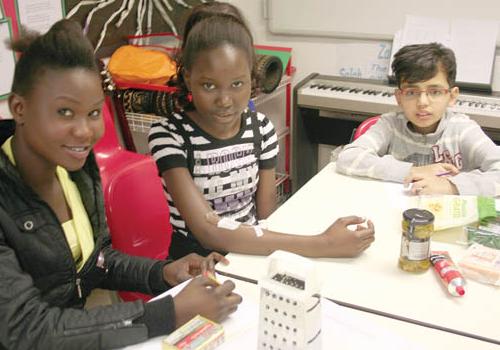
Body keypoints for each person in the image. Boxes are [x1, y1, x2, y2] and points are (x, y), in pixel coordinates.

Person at [0, 19, 242, 350]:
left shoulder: (74, 169)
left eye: (94, 113)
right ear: (19, 108)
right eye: (65, 112)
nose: (85, 131)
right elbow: (26, 328)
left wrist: (164, 273)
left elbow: (98, 260)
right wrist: (166, 312)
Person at [148, 2, 375, 261]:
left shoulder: (261, 129)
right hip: (194, 265)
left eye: (237, 84)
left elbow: (266, 216)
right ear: (188, 78)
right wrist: (324, 244)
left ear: (251, 77)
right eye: (209, 85)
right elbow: (208, 231)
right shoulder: (170, 136)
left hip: (250, 255)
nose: (225, 100)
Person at [336, 42, 500, 196]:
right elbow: (348, 158)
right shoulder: (390, 125)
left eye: (435, 91)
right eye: (411, 92)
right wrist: (412, 171)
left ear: (451, 96)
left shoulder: (462, 130)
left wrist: (450, 186)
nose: (422, 103)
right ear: (399, 97)